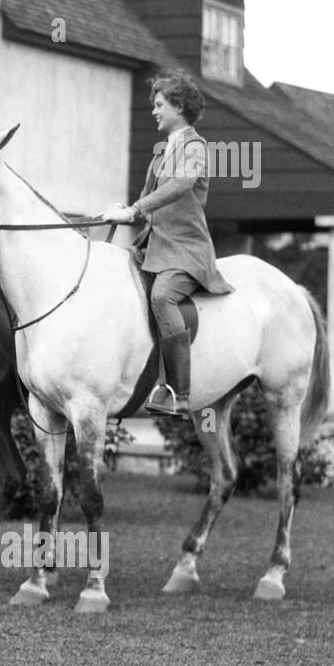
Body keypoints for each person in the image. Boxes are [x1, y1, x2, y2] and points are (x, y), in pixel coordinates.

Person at [99, 68, 234, 417]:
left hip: (186, 251)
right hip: (154, 247)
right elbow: (144, 202)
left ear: (178, 106)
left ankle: (178, 391)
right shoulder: (161, 153)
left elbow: (183, 183)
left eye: (160, 104)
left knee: (162, 296)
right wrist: (124, 210)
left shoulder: (196, 147)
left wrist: (137, 209)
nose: (154, 111)